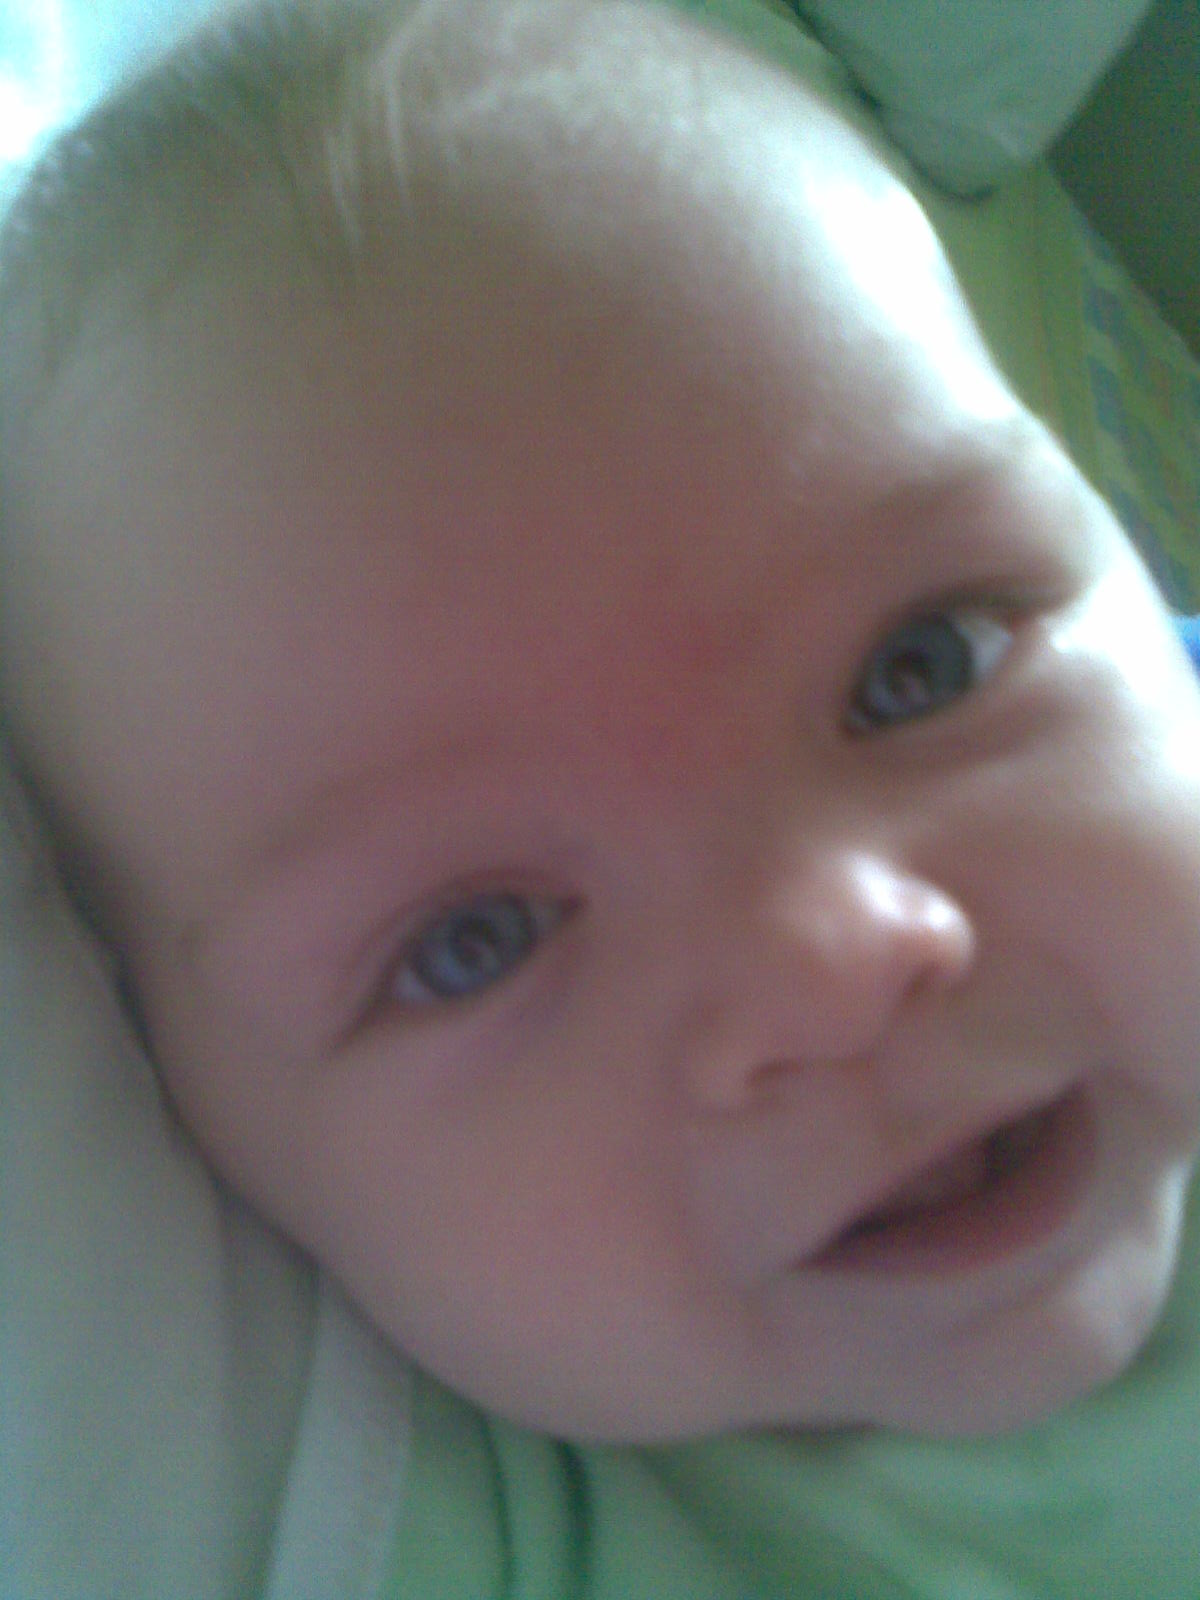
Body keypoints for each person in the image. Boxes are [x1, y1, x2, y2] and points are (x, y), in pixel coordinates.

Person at [2, 0, 1199, 1591]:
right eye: (480, 939)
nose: (838, 962)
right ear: (203, 1144)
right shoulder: (406, 1527)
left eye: (923, 668)